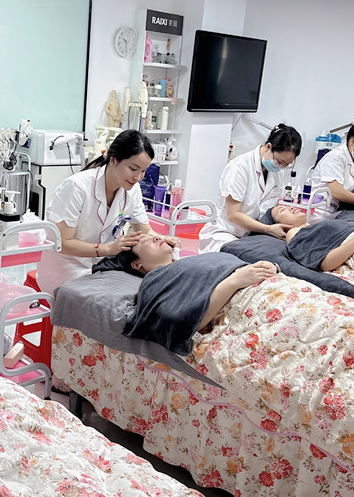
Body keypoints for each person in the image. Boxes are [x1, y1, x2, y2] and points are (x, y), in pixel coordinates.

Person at [36, 129, 174, 294]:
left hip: (101, 265)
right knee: (115, 298)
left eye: (143, 171)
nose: (138, 177)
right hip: (66, 266)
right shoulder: (76, 187)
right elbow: (63, 243)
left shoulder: (132, 190)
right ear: (114, 160)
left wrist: (163, 240)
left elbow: (145, 230)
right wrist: (108, 249)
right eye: (133, 169)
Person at [95, 234, 278, 353]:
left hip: (272, 287)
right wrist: (234, 281)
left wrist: (268, 267)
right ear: (137, 264)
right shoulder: (153, 280)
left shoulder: (191, 261)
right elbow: (182, 320)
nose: (156, 238)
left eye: (154, 236)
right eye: (146, 242)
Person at [198, 124, 302, 252]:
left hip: (255, 236)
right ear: (268, 147)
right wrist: (268, 229)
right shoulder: (239, 168)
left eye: (287, 164)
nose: (282, 167)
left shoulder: (278, 171)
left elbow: (273, 208)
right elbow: (233, 215)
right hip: (227, 234)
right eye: (280, 162)